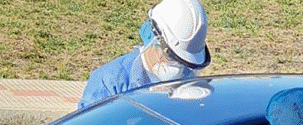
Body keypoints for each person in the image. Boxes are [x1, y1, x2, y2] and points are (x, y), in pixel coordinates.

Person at [77, 0, 211, 110]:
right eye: (170, 57)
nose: (178, 70)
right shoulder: (111, 82)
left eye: (183, 63)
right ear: (151, 37)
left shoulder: (189, 84)